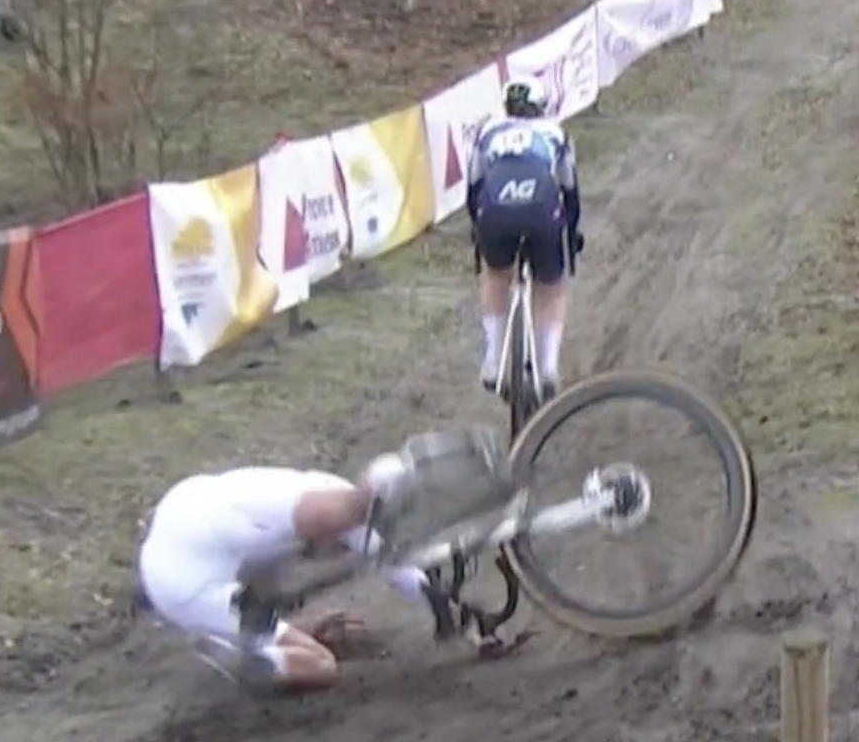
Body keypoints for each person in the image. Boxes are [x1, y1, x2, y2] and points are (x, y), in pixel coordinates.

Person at [137, 452, 478, 693]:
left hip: (186, 509)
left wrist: (464, 621)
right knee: (320, 665)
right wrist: (466, 625)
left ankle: (253, 635)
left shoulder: (333, 492)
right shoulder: (311, 521)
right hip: (187, 584)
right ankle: (236, 653)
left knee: (270, 581)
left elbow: (400, 569)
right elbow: (399, 569)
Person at [466, 78, 582, 401]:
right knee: (551, 285)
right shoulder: (555, 133)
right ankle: (548, 367)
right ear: (541, 107)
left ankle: (492, 361)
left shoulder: (488, 131)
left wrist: (478, 230)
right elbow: (570, 192)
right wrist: (571, 236)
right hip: (541, 210)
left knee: (495, 274)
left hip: (495, 209)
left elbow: (473, 188)